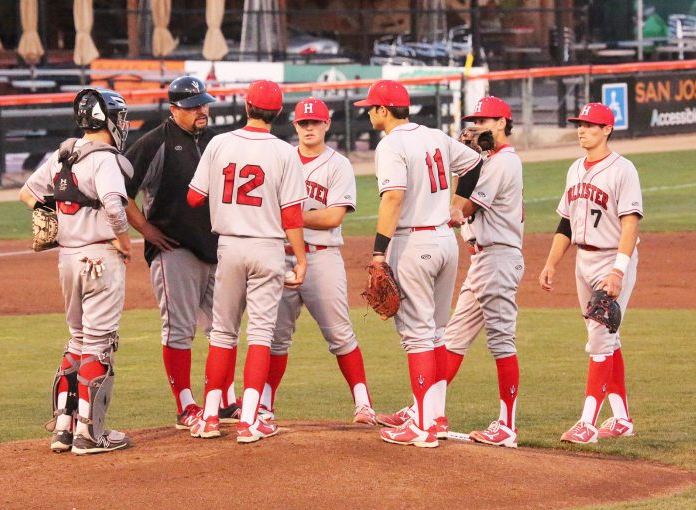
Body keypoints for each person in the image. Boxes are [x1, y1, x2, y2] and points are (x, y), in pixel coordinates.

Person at [356, 80, 482, 448]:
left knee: (417, 337)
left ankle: (423, 426)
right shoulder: (435, 136)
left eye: (372, 107)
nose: (369, 113)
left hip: (413, 243)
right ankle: (436, 417)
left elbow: (393, 198)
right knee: (436, 334)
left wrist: (378, 253)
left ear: (383, 110)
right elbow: (474, 164)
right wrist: (456, 205)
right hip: (445, 241)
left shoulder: (391, 144)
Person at [186, 80, 308, 443]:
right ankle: (250, 421)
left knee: (222, 334)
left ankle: (209, 417)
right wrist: (300, 259)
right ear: (279, 113)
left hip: (229, 247)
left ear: (246, 106)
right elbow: (292, 215)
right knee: (260, 335)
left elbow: (194, 198)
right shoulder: (285, 152)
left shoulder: (219, 143)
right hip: (267, 248)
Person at [19, 88, 134, 454]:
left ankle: (63, 429)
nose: (122, 124)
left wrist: (56, 216)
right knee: (99, 344)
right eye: (119, 117)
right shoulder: (105, 159)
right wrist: (124, 241)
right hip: (100, 258)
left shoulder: (63, 154)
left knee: (78, 340)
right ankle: (90, 434)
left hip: (67, 259)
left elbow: (27, 193)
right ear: (107, 120)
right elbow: (114, 207)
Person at [123, 76, 240, 433]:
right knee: (179, 330)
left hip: (216, 248)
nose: (201, 110)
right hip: (175, 249)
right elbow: (120, 190)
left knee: (224, 328)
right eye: (192, 106)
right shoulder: (155, 142)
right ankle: (185, 405)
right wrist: (145, 229)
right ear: (174, 109)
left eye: (203, 104)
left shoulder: (216, 142)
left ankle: (223, 399)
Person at [262, 97, 375, 425]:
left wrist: (289, 217)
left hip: (322, 258)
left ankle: (363, 404)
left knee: (340, 334)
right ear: (295, 126)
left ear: (327, 124)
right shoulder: (281, 159)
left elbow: (332, 217)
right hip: (280, 257)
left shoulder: (338, 165)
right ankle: (264, 405)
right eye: (303, 123)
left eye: (315, 122)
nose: (309, 128)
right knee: (275, 338)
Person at [539, 102, 643, 444]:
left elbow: (630, 224)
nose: (582, 130)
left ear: (607, 130)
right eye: (580, 125)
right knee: (607, 338)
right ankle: (622, 419)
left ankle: (587, 423)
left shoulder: (622, 170)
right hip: (583, 260)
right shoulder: (574, 169)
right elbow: (566, 223)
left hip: (612, 260)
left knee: (599, 339)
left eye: (589, 125)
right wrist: (551, 262)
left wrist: (618, 272)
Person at [444, 96, 524, 448]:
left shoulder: (504, 162)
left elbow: (463, 209)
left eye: (485, 121)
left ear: (503, 123)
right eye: (474, 121)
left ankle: (507, 426)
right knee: (453, 338)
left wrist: (459, 168)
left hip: (498, 258)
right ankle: (426, 409)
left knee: (501, 341)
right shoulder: (488, 162)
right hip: (483, 261)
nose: (477, 128)